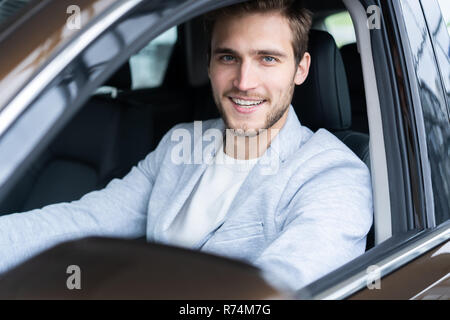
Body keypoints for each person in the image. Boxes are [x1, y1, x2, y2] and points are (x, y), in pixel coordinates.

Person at [0, 0, 372, 291]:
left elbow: (280, 287)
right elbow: (88, 220)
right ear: (209, 65)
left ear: (301, 69)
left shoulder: (333, 174)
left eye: (268, 59)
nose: (244, 81)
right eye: (229, 57)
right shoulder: (182, 142)